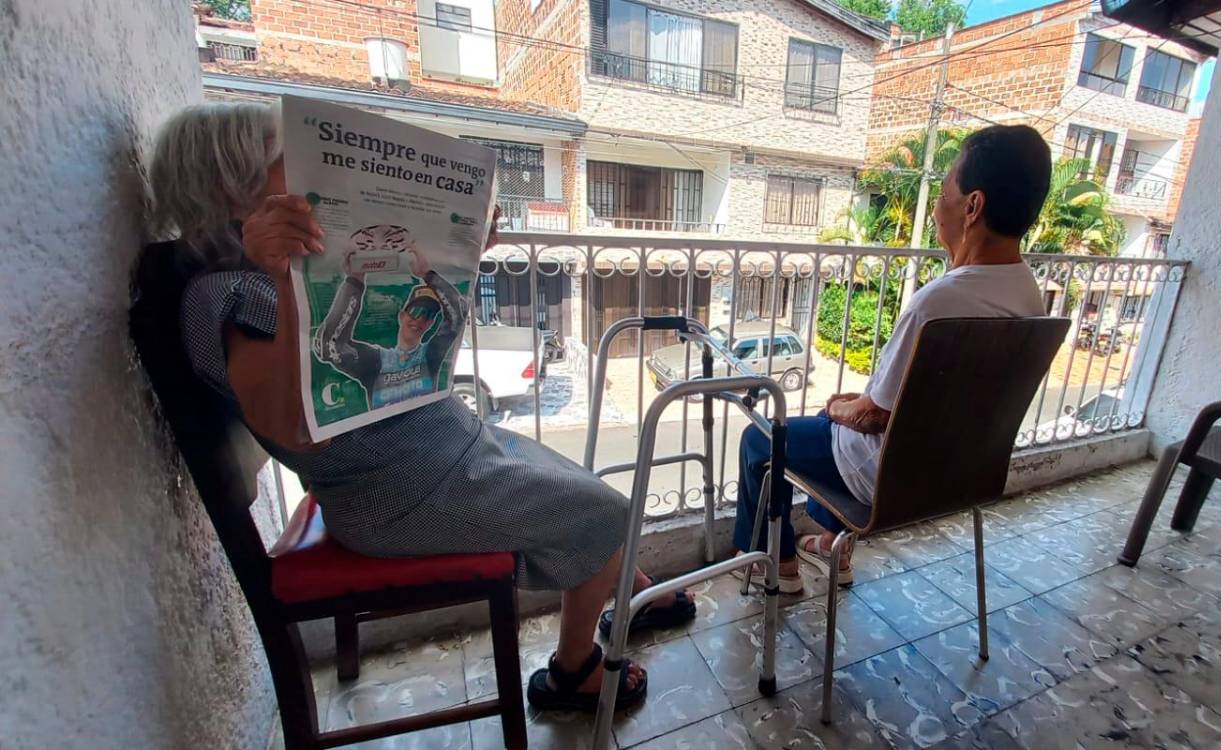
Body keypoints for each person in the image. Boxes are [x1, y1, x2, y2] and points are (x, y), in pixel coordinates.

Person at [148, 102, 693, 713]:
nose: (303, 173)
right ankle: (575, 673)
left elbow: (400, 346)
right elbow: (298, 432)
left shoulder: (295, 266)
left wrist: (460, 252)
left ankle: (627, 588)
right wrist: (279, 276)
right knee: (604, 511)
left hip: (438, 450)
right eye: (286, 162)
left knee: (579, 484)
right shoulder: (227, 291)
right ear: (233, 187)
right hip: (398, 491)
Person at [733, 124, 1051, 591]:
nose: (937, 208)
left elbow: (874, 417)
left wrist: (838, 407)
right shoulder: (1031, 299)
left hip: (888, 485)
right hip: (961, 478)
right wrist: (855, 408)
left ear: (972, 206)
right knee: (828, 435)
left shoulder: (937, 303)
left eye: (943, 193)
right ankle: (834, 549)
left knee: (762, 437)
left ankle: (774, 563)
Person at [314, 248, 463, 409]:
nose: (420, 319)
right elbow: (329, 345)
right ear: (402, 316)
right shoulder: (376, 359)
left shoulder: (430, 355)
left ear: (430, 324)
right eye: (415, 311)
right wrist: (355, 280)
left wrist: (428, 274)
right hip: (385, 433)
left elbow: (457, 317)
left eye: (428, 315)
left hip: (425, 428)